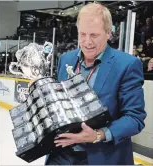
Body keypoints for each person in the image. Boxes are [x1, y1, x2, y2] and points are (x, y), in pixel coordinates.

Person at [45, 3, 146, 165]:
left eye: (94, 35)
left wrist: (98, 135)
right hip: (62, 154)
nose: (87, 42)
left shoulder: (127, 65)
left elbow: (135, 118)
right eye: (82, 34)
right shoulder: (66, 59)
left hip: (101, 157)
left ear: (108, 33)